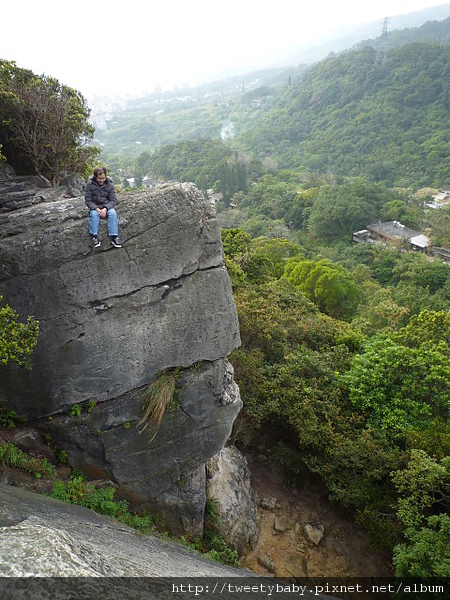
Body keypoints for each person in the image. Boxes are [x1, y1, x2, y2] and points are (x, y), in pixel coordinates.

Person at [85, 166, 122, 248]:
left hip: (107, 205)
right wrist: (97, 209)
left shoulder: (110, 185)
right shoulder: (90, 185)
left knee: (112, 213)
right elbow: (88, 200)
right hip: (95, 206)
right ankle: (94, 237)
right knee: (94, 215)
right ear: (95, 177)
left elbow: (113, 200)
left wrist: (105, 208)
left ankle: (114, 237)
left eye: (103, 178)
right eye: (99, 179)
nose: (101, 180)